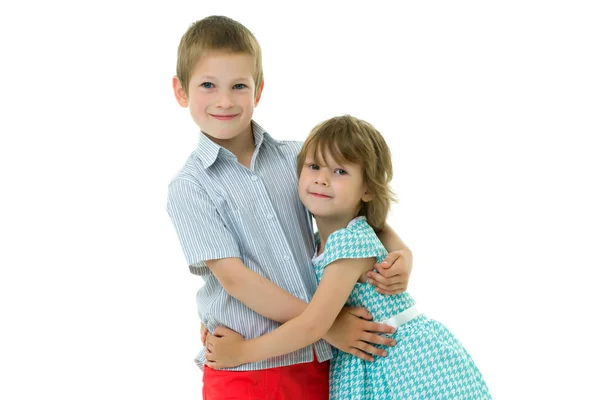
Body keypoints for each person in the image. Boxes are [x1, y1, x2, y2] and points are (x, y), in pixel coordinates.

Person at [167, 16, 414, 399]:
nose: (224, 100)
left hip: (320, 363)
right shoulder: (190, 187)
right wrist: (328, 324)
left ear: (258, 90)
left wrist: (401, 252)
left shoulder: (297, 159)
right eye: (207, 86)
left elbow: (353, 217)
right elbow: (236, 280)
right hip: (243, 364)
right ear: (181, 92)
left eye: (238, 86)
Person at [205, 115, 492, 399]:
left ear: (367, 188)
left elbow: (313, 325)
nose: (322, 179)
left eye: (340, 171)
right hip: (370, 359)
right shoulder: (323, 242)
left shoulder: (350, 244)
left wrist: (242, 352)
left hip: (402, 364)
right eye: (314, 166)